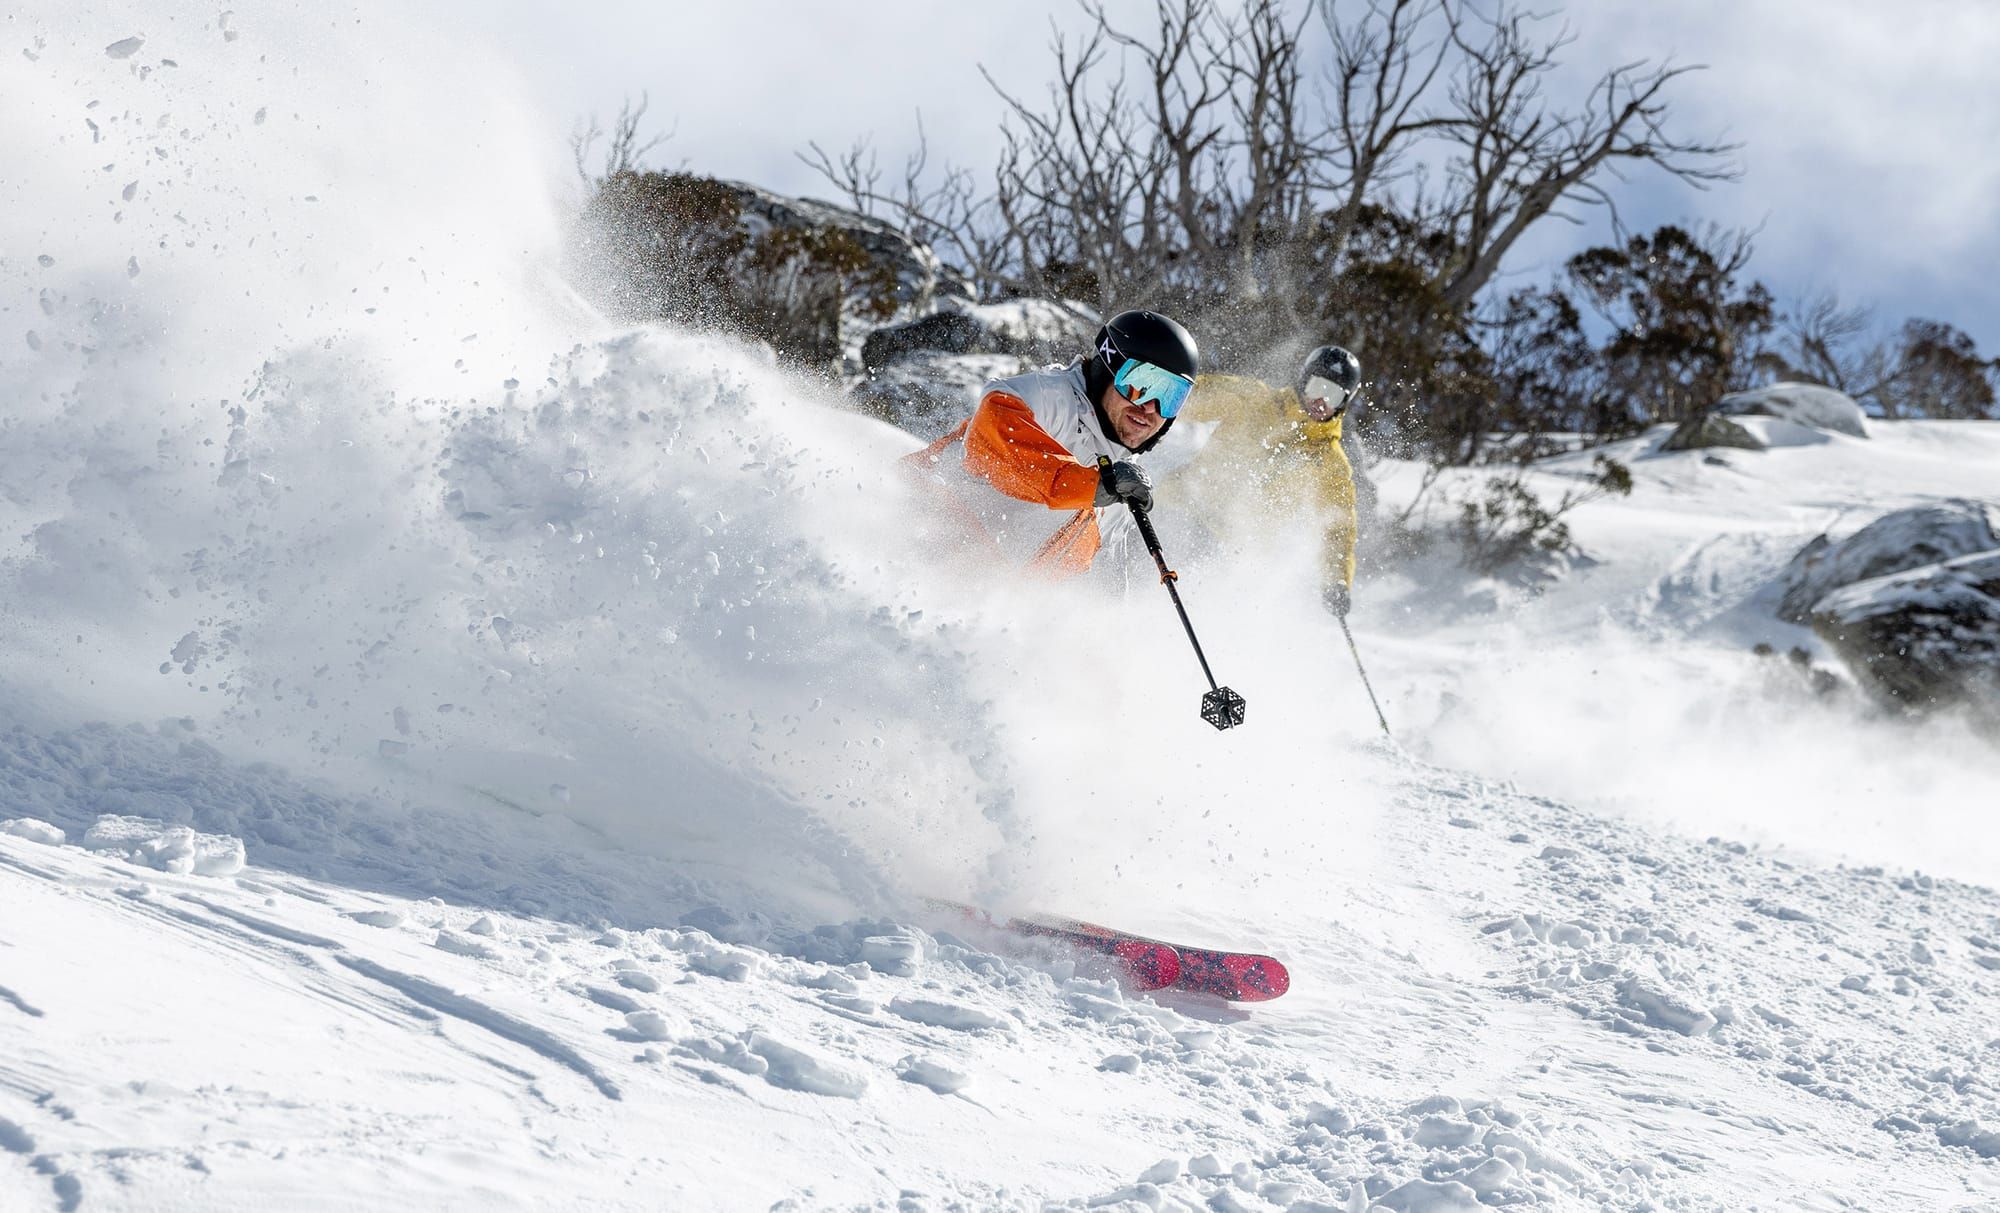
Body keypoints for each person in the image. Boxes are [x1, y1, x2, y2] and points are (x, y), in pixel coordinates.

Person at [901, 309, 1199, 579]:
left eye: (1170, 397)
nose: (1150, 407)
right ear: (1107, 369)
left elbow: (1105, 579)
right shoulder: (1053, 398)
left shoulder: (1122, 482)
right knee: (1079, 509)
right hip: (917, 519)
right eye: (1141, 385)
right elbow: (995, 417)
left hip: (978, 581)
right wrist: (1092, 485)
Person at [1162, 345, 1364, 617]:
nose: (1321, 401)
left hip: (1231, 551)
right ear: (1304, 381)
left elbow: (1337, 528)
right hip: (1179, 512)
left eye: (1334, 395)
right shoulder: (1254, 400)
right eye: (1318, 387)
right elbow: (1189, 396)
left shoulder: (1328, 461)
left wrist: (1336, 580)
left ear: (1344, 402)